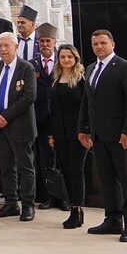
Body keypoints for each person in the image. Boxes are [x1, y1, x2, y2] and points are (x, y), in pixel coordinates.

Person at [79, 29, 127, 243]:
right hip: (99, 136)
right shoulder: (90, 69)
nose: (99, 47)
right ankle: (113, 219)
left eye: (103, 43)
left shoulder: (125, 67)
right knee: (108, 180)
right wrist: (83, 128)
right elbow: (87, 102)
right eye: (95, 44)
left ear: (112, 44)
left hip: (120, 136)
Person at [0, 32, 38, 221]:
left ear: (16, 47)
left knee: (25, 167)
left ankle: (29, 205)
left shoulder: (26, 68)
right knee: (6, 167)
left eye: (7, 46)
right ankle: (11, 203)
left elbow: (29, 97)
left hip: (20, 125)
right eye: (0, 46)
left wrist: (4, 116)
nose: (3, 49)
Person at [48, 43, 87, 229]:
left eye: (69, 57)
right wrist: (51, 134)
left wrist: (85, 130)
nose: (66, 60)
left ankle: (77, 208)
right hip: (59, 132)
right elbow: (53, 109)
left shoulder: (81, 79)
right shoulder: (55, 78)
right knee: (65, 169)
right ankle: (72, 206)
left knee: (76, 170)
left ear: (75, 58)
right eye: (63, 57)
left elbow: (85, 108)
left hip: (77, 132)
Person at [32, 22, 64, 210]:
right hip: (40, 118)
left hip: (60, 117)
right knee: (44, 159)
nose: (45, 44)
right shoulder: (32, 63)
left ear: (54, 42)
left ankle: (65, 197)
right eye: (42, 41)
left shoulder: (64, 61)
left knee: (63, 159)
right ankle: (47, 196)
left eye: (48, 41)